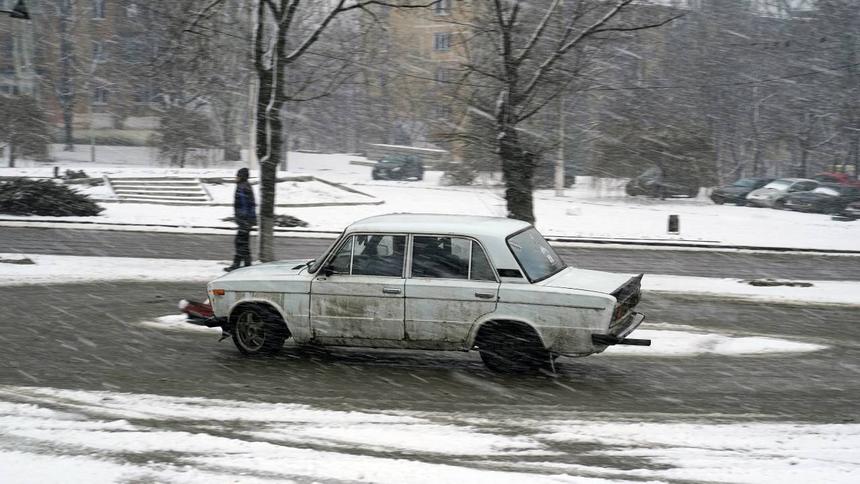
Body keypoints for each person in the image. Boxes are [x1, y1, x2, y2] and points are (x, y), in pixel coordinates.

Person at [225, 167, 256, 271]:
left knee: (239, 242)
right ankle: (247, 264)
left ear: (241, 177)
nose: (236, 177)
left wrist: (243, 220)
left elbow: (245, 205)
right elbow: (250, 204)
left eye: (238, 175)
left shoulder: (243, 187)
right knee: (243, 242)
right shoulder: (245, 186)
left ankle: (237, 264)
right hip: (246, 220)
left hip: (244, 221)